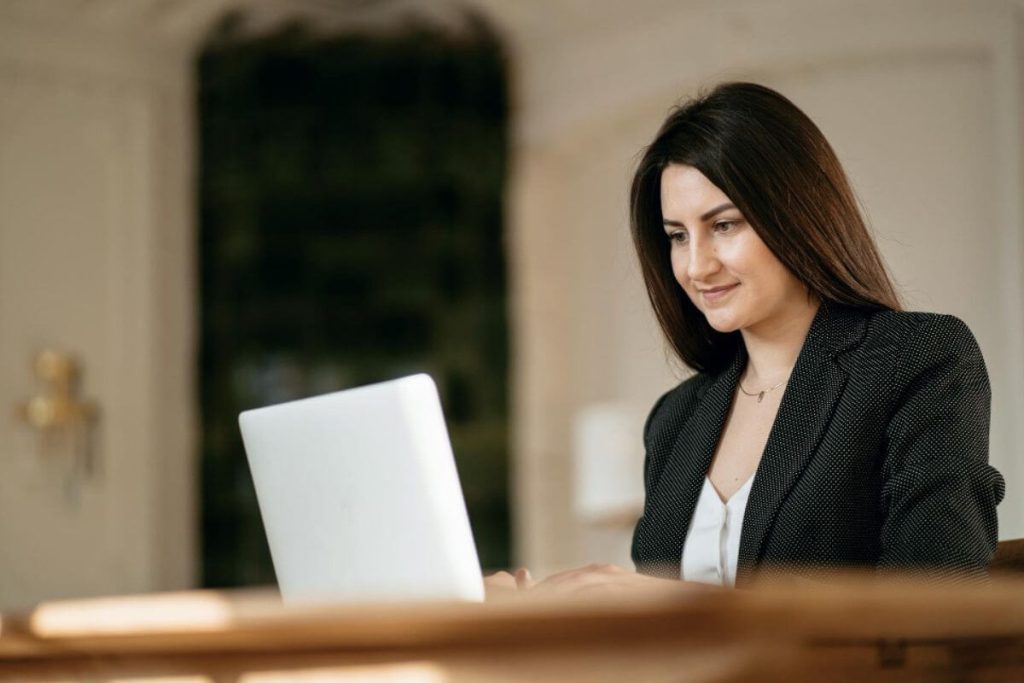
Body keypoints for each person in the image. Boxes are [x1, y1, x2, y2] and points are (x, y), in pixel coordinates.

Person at [487, 81, 1006, 596]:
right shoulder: (676, 419)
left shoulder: (915, 358)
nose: (697, 266)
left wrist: (661, 599)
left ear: (797, 213)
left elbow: (935, 599)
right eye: (678, 236)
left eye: (725, 225)